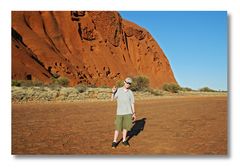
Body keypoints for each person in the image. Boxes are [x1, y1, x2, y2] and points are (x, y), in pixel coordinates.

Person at [111, 77, 136, 148]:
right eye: (127, 82)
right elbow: (112, 99)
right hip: (119, 113)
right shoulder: (118, 90)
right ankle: (114, 141)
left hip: (128, 113)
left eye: (129, 83)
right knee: (117, 128)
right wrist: (113, 92)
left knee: (125, 128)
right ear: (124, 82)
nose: (128, 84)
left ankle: (124, 140)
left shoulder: (130, 92)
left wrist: (134, 113)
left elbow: (132, 103)